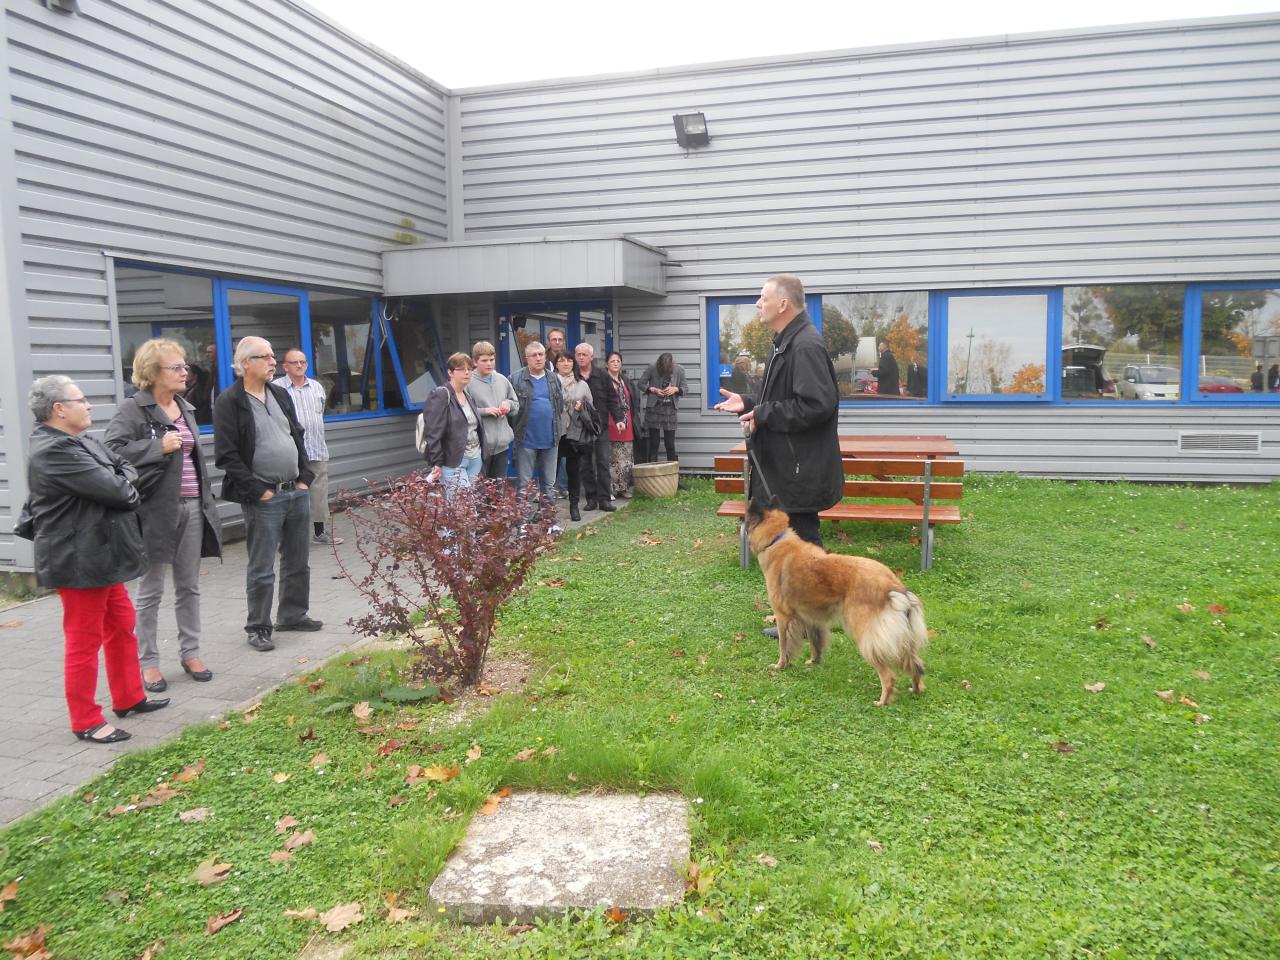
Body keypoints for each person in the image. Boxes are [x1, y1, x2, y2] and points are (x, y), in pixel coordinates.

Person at [23, 375, 169, 743]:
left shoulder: (80, 441)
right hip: (78, 560)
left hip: (102, 553)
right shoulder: (54, 451)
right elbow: (121, 491)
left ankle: (129, 696)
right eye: (81, 399)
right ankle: (86, 720)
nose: (89, 406)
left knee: (122, 624)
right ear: (59, 409)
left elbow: (122, 469)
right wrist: (121, 479)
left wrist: (121, 477)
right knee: (83, 641)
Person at [105, 340, 223, 693]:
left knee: (189, 586)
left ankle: (191, 653)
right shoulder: (133, 409)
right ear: (153, 373)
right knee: (151, 589)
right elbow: (111, 452)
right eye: (176, 367)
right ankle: (149, 662)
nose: (185, 372)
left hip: (192, 506)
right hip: (155, 512)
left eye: (185, 366)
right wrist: (156, 447)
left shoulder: (184, 406)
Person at [714, 273, 842, 548]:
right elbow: (781, 397)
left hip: (797, 472)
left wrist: (762, 414)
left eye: (764, 298)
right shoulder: (785, 341)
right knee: (790, 558)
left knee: (805, 557)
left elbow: (816, 405)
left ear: (783, 304)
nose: (758, 303)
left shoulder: (805, 345)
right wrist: (748, 403)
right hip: (785, 470)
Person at [213, 337, 320, 653]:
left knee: (298, 559)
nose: (273, 361)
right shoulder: (230, 402)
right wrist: (258, 491)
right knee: (261, 566)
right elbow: (227, 455)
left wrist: (305, 478)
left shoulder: (279, 393)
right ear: (246, 363)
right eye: (266, 356)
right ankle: (258, 627)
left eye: (274, 355)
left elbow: (297, 434)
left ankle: (293, 614)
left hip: (295, 491)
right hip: (265, 497)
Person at [273, 348, 343, 546]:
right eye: (294, 362)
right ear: (285, 366)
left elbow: (319, 414)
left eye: (302, 362)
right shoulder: (276, 388)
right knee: (288, 491)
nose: (299, 365)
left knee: (319, 491)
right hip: (290, 452)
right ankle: (288, 536)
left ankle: (320, 533)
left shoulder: (317, 387)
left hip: (316, 448)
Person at [509, 341, 564, 515]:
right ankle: (523, 523)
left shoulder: (553, 378)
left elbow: (559, 406)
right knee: (524, 484)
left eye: (541, 354)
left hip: (550, 438)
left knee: (548, 484)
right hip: (526, 440)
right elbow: (511, 411)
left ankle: (547, 520)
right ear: (527, 359)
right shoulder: (515, 379)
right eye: (534, 355)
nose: (538, 358)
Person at [420, 352, 486, 489]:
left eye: (469, 369)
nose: (467, 372)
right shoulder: (441, 394)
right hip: (454, 460)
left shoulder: (467, 395)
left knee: (466, 504)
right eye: (461, 369)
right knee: (463, 507)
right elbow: (433, 432)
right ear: (450, 372)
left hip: (475, 458)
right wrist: (437, 462)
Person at [465, 340, 518, 479]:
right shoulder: (468, 382)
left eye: (492, 359)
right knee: (480, 490)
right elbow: (461, 412)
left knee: (498, 491)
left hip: (502, 445)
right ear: (475, 362)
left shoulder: (502, 380)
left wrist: (508, 404)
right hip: (479, 446)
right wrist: (484, 411)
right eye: (484, 360)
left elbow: (516, 405)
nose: (489, 363)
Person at [573, 342, 616, 512]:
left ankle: (605, 499)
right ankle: (591, 499)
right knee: (585, 464)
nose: (581, 357)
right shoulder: (572, 376)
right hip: (580, 428)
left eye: (584, 354)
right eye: (578, 354)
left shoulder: (603, 375)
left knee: (603, 462)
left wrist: (618, 418)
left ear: (591, 357)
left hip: (600, 427)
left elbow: (612, 399)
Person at [554, 351, 595, 521]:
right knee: (550, 472)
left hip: (574, 433)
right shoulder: (550, 381)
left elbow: (592, 407)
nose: (565, 364)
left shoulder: (581, 384)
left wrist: (581, 407)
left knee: (573, 471)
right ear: (556, 364)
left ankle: (574, 506)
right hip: (555, 432)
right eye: (562, 361)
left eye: (569, 361)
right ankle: (545, 508)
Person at [638, 352, 687, 463]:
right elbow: (640, 384)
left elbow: (685, 388)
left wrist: (676, 389)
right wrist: (653, 390)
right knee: (654, 443)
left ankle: (673, 475)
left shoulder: (679, 369)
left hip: (670, 409)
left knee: (669, 444)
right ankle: (652, 474)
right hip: (654, 409)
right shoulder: (652, 367)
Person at [605, 351, 637, 498]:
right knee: (614, 458)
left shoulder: (624, 380)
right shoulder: (605, 381)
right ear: (607, 364)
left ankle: (623, 488)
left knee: (626, 458)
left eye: (618, 361)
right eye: (612, 361)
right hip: (611, 421)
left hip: (627, 422)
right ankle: (611, 488)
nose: (616, 363)